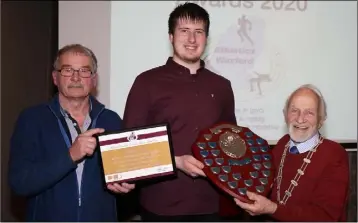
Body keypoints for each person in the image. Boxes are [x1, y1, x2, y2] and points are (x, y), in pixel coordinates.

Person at [122, 2, 238, 222]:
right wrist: (176, 161)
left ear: (207, 38)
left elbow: (230, 141)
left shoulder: (222, 86)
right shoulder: (146, 82)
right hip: (161, 205)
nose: (192, 39)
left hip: (211, 204)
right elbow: (130, 147)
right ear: (171, 37)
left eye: (199, 32)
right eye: (184, 31)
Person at [8, 44, 135, 221]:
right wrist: (70, 156)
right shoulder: (32, 119)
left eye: (84, 71)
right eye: (67, 70)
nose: (76, 77)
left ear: (94, 79)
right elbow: (20, 183)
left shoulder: (111, 120)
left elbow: (124, 176)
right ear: (55, 77)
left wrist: (127, 185)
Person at [234, 84, 350, 221]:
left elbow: (325, 217)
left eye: (309, 113)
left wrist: (272, 209)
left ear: (321, 120)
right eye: (294, 110)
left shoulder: (334, 154)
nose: (300, 119)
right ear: (285, 115)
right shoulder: (283, 144)